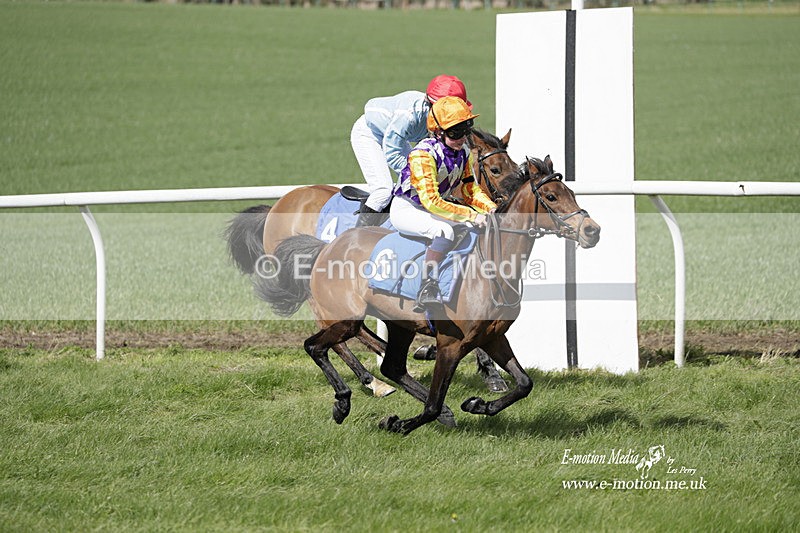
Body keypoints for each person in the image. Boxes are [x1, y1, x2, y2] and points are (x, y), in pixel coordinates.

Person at [389, 96, 497, 311]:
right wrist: (472, 215)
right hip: (408, 209)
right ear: (438, 132)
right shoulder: (422, 154)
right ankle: (426, 286)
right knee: (443, 231)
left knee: (473, 229)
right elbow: (432, 201)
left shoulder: (464, 152)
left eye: (465, 130)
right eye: (454, 132)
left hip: (435, 208)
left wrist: (492, 208)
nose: (461, 138)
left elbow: (470, 190)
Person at [350, 75, 472, 227]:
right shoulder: (409, 116)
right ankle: (357, 235)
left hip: (398, 138)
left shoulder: (437, 117)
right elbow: (393, 151)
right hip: (370, 134)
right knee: (384, 190)